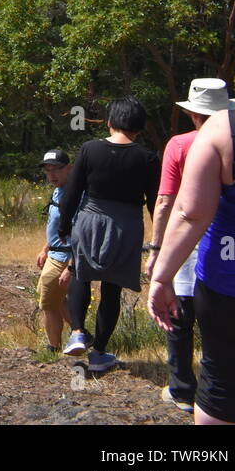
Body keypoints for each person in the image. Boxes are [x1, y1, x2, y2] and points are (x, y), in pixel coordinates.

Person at [150, 23, 235, 424]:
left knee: (220, 396)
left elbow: (190, 213)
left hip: (234, 290)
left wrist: (162, 276)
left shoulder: (227, 128)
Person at [146, 78, 235, 412]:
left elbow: (165, 200)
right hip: (228, 239)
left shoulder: (180, 144)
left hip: (186, 236)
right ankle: (222, 394)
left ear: (193, 114)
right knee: (220, 319)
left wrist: (156, 248)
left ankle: (183, 389)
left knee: (178, 315)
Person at [58, 96, 160, 372]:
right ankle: (100, 351)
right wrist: (160, 241)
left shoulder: (90, 149)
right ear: (139, 126)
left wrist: (64, 226)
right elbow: (155, 202)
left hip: (90, 220)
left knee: (81, 273)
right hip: (125, 226)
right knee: (111, 289)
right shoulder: (148, 158)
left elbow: (72, 192)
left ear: (110, 122)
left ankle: (78, 331)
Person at [35, 148, 74, 351]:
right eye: (48, 170)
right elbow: (58, 226)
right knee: (54, 299)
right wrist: (45, 248)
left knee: (48, 304)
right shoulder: (58, 190)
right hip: (54, 252)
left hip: (64, 257)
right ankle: (80, 334)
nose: (52, 174)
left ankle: (54, 348)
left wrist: (71, 266)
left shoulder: (74, 194)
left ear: (69, 168)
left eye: (57, 169)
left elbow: (80, 234)